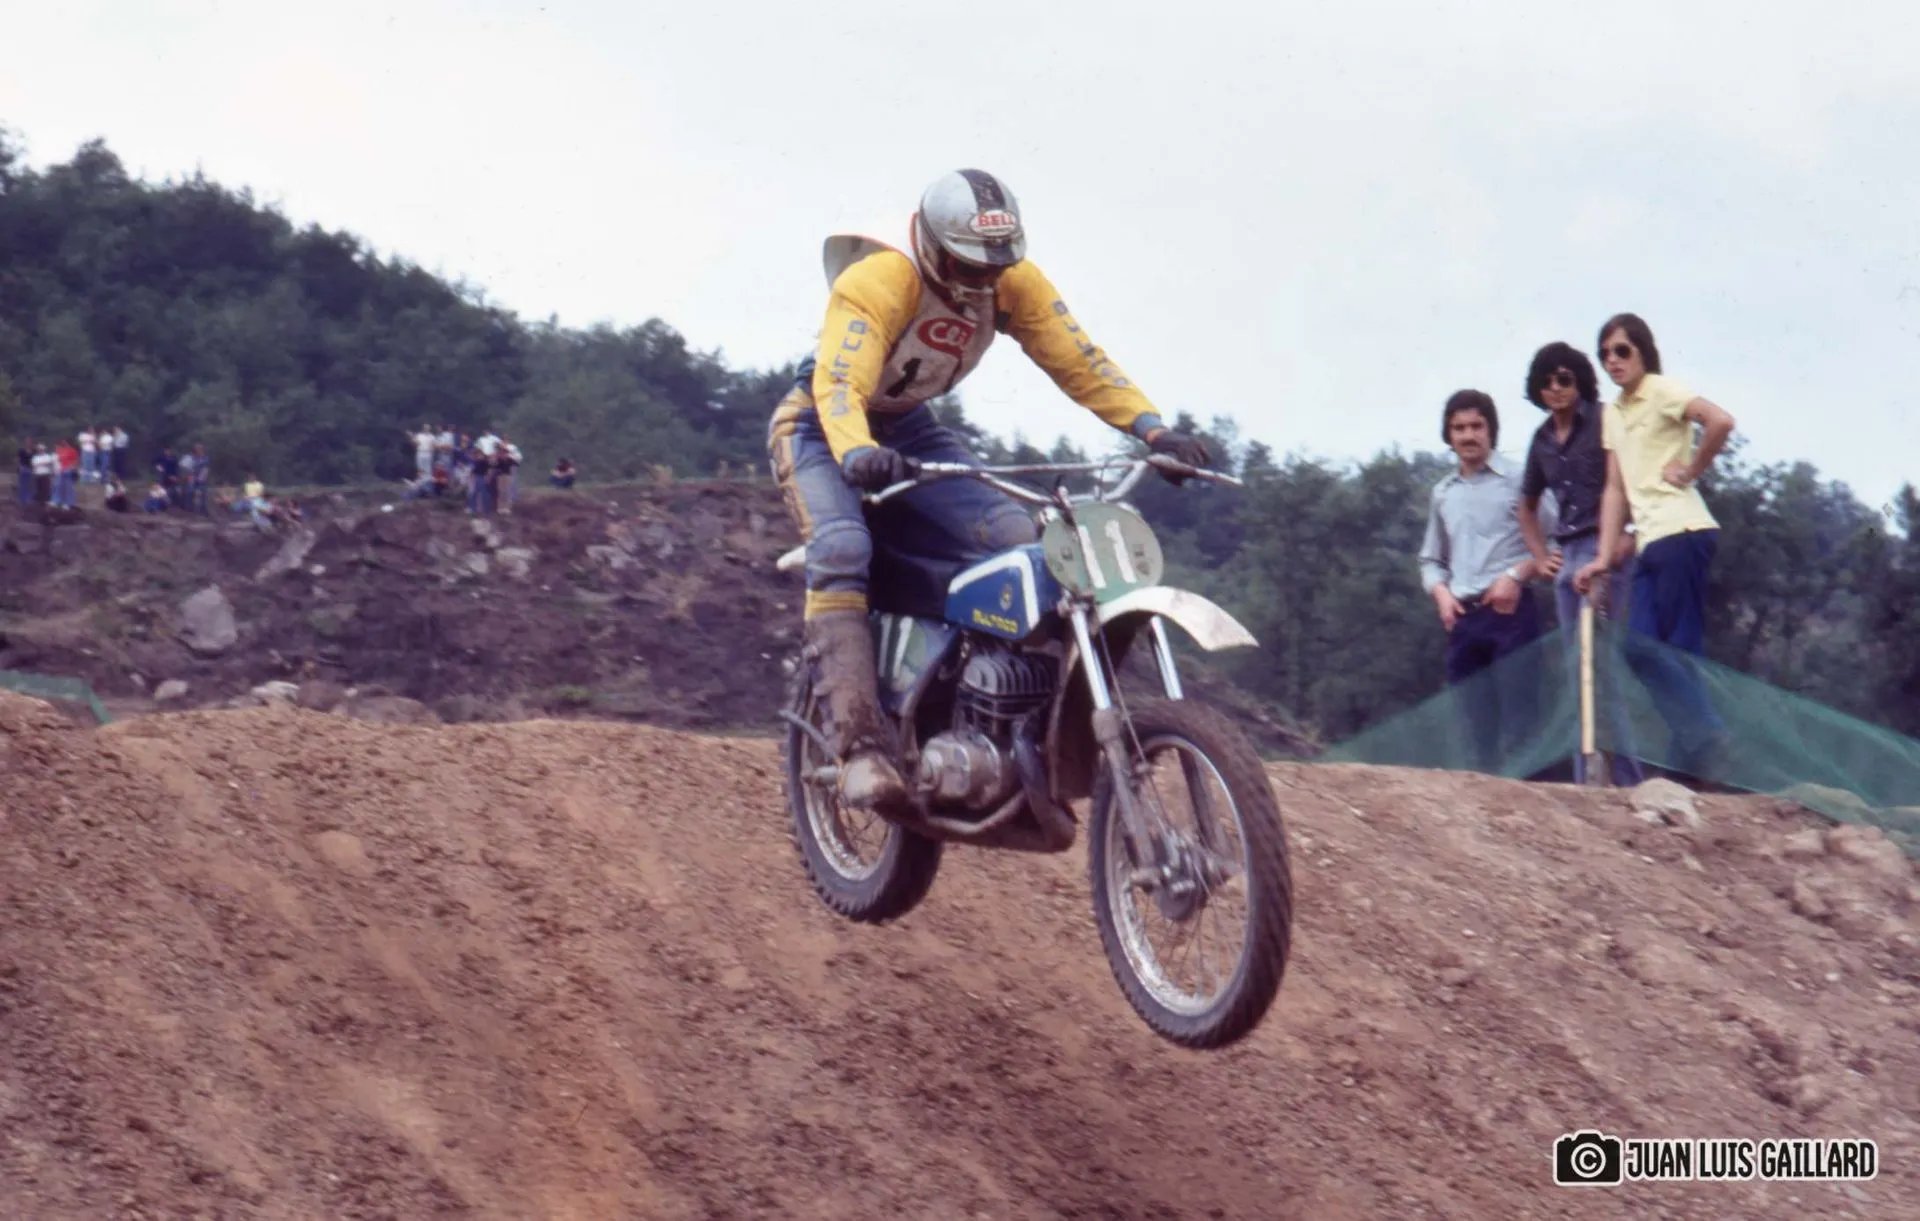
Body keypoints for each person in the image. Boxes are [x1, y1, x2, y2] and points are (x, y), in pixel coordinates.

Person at [768, 167, 1211, 816]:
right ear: (932, 244)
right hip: (817, 428)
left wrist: (1152, 429)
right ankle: (859, 747)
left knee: (1021, 541)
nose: (980, 281)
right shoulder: (880, 278)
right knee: (841, 547)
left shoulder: (1012, 284)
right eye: (966, 264)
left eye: (993, 266)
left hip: (910, 428)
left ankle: (1000, 725)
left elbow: (1077, 357)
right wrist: (856, 449)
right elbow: (839, 383)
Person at [1573, 313, 1737, 775]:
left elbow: (1721, 421)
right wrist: (1603, 558)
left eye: (1622, 350)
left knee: (1674, 650)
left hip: (1682, 531)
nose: (1612, 360)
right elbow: (1614, 489)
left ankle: (1697, 751)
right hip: (1650, 541)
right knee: (1643, 649)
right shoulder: (1613, 413)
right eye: (1605, 353)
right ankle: (1699, 750)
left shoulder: (1663, 390)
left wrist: (1692, 470)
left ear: (1643, 351)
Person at [1515, 342, 1645, 787]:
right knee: (1577, 672)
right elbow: (1526, 506)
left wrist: (1629, 537)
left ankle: (1627, 780)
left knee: (1601, 667)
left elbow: (1633, 482)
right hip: (1567, 552)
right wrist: (1540, 555)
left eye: (1565, 379)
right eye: (1547, 381)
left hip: (1604, 550)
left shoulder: (1607, 421)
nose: (1556, 388)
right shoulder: (1541, 440)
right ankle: (1586, 783)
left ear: (1580, 382)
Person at [1418, 390, 1543, 773]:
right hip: (1464, 619)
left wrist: (1515, 576)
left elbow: (1554, 545)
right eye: (1459, 428)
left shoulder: (1521, 480)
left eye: (1476, 426)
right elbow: (1431, 559)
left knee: (1522, 723)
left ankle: (1528, 805)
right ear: (1449, 435)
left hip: (1511, 613)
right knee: (1474, 730)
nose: (1468, 435)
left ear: (1491, 430)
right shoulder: (1443, 493)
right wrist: (1441, 594)